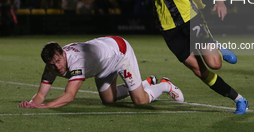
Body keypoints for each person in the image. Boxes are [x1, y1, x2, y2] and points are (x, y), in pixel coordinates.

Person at [18, 36, 183, 108]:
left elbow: (69, 96)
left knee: (140, 101)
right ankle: (146, 83)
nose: (57, 67)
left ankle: (164, 85)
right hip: (102, 61)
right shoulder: (51, 65)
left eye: (58, 61)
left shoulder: (77, 60)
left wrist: (45, 107)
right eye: (52, 65)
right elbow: (41, 94)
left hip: (119, 53)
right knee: (109, 100)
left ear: (63, 53)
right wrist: (33, 103)